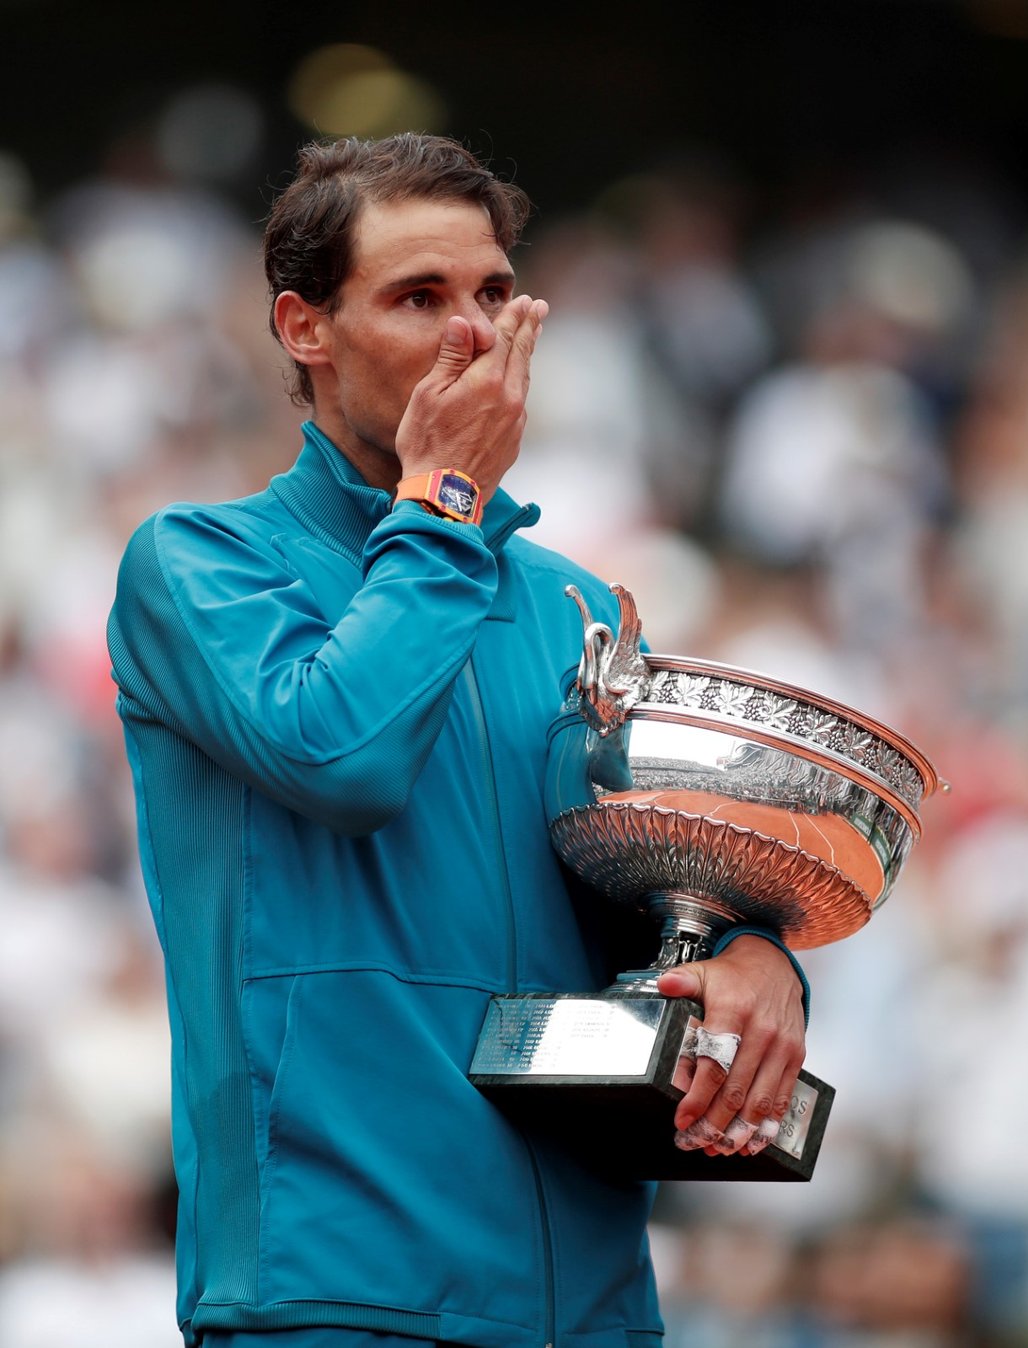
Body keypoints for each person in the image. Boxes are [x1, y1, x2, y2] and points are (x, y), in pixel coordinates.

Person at [107, 134, 809, 1348]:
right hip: (331, 1290)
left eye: (492, 292)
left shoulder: (585, 607)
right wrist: (444, 505)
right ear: (303, 327)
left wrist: (751, 954)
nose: (471, 334)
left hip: (593, 1304)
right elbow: (342, 754)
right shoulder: (197, 563)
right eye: (418, 298)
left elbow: (636, 889)